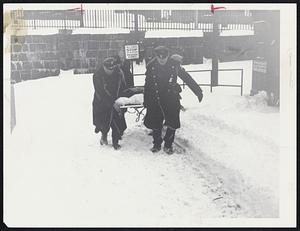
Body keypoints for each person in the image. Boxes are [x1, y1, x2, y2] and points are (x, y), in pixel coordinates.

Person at [143, 46, 203, 154]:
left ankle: (168, 145)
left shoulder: (174, 65)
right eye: (159, 57)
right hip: (156, 98)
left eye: (164, 56)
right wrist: (146, 101)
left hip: (171, 98)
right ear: (156, 56)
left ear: (168, 55)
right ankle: (157, 144)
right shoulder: (151, 66)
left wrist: (198, 91)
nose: (162, 59)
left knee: (172, 123)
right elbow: (148, 85)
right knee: (156, 124)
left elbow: (186, 77)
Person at [92, 56, 132, 150]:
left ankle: (115, 142)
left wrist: (122, 99)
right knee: (104, 121)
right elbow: (100, 92)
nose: (110, 71)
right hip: (101, 102)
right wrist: (112, 103)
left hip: (116, 100)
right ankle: (104, 136)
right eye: (108, 69)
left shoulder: (118, 73)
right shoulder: (97, 75)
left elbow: (122, 87)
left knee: (117, 122)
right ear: (104, 67)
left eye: (112, 69)